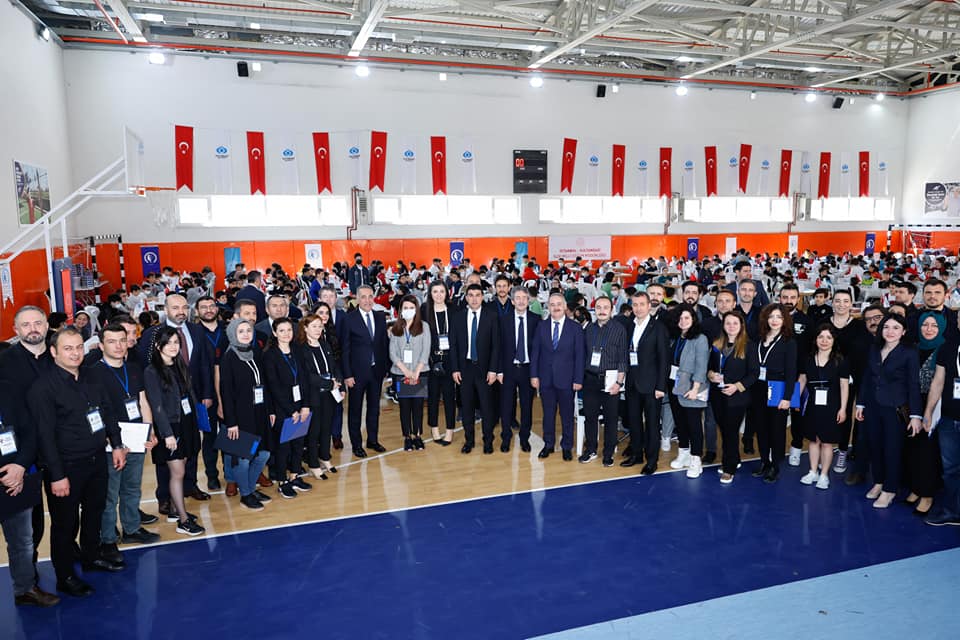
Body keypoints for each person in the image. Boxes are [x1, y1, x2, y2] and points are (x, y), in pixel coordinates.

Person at [29, 327, 127, 597]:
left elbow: (107, 412)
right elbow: (44, 436)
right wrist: (57, 475)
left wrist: (117, 444)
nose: (75, 353)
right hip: (66, 467)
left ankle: (91, 557)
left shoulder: (92, 377)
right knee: (65, 523)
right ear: (53, 352)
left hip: (97, 459)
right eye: (68, 348)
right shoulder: (43, 388)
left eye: (78, 347)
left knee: (94, 512)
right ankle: (65, 577)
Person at [83, 322, 160, 562]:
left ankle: (131, 528)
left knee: (132, 488)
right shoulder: (92, 373)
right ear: (101, 345)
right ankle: (107, 539)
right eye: (111, 341)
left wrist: (149, 430)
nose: (118, 346)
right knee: (110, 494)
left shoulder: (134, 368)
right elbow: (94, 411)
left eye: (122, 340)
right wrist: (111, 440)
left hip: (136, 437)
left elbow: (143, 401)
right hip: (110, 443)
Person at [139, 293, 215, 513]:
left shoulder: (197, 330)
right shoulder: (152, 334)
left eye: (184, 307)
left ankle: (190, 485)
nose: (181, 311)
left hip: (191, 401)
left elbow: (205, 365)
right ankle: (164, 496)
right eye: (175, 307)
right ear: (165, 309)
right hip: (166, 406)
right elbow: (147, 368)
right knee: (168, 454)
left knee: (191, 448)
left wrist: (206, 393)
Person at [0, 343, 59, 607]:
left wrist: (20, 466)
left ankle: (25, 589)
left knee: (23, 541)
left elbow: (30, 431)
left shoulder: (9, 391)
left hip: (16, 476)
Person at [143, 327, 206, 536]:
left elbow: (189, 395)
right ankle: (183, 520)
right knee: (178, 473)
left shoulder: (180, 365)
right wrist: (167, 434)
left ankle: (173, 509)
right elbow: (156, 406)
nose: (173, 346)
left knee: (182, 468)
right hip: (170, 427)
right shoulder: (152, 371)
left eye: (176, 342)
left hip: (186, 423)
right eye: (168, 342)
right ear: (158, 346)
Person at [855, 313, 922, 509]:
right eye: (886, 327)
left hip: (895, 409)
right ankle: (879, 481)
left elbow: (913, 384)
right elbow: (867, 378)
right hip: (873, 406)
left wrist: (915, 415)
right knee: (875, 446)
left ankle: (890, 489)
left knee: (892, 449)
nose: (890, 331)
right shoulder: (875, 348)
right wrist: (860, 404)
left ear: (904, 331)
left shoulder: (909, 352)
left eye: (895, 328)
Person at [220, 318, 274, 511]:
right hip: (241, 417)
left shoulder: (254, 353)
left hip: (260, 412)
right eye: (241, 331)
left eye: (248, 330)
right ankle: (246, 494)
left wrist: (271, 410)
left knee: (263, 454)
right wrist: (231, 422)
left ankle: (250, 488)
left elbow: (264, 384)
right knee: (243, 459)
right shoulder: (229, 358)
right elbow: (226, 393)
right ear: (233, 334)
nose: (245, 334)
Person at [530, 292, 585, 461]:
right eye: (552, 304)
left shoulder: (575, 328)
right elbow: (535, 352)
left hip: (567, 380)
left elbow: (580, 356)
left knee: (567, 415)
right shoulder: (541, 326)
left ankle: (567, 446)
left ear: (565, 306)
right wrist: (534, 375)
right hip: (546, 379)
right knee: (548, 414)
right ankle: (548, 444)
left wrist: (578, 379)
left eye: (559, 304)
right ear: (548, 307)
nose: (556, 307)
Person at [262, 318, 313, 499]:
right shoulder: (270, 355)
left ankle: (294, 476)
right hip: (283, 408)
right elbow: (273, 387)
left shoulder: (297, 350)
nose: (286, 334)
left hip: (300, 405)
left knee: (298, 443)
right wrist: (291, 410)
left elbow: (305, 379)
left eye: (289, 330)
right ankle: (283, 481)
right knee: (283, 447)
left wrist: (305, 405)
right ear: (274, 333)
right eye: (281, 330)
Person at [707, 310, 759, 484]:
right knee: (725, 429)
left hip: (737, 397)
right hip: (718, 394)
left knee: (730, 431)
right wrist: (710, 375)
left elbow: (754, 373)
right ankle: (734, 459)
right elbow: (710, 367)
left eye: (735, 323)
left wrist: (737, 387)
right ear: (723, 325)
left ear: (741, 325)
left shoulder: (749, 346)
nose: (731, 326)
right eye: (728, 323)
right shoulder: (716, 344)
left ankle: (729, 468)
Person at [621, 292, 670, 474]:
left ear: (649, 306)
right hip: (632, 383)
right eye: (635, 304)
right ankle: (636, 454)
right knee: (634, 421)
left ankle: (651, 460)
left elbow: (664, 360)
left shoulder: (659, 328)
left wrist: (660, 386)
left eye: (642, 304)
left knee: (652, 425)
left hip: (652, 386)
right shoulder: (629, 326)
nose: (638, 308)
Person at [797, 325, 850, 490]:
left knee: (826, 442)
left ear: (834, 340)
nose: (824, 341)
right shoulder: (807, 359)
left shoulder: (840, 361)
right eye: (821, 337)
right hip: (812, 405)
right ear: (815, 340)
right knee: (814, 440)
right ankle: (812, 471)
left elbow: (844, 385)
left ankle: (824, 475)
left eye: (828, 337)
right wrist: (795, 401)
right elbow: (802, 380)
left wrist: (843, 409)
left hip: (832, 406)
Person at [902, 312, 944, 515]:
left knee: (928, 451)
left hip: (935, 405)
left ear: (941, 328)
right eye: (925, 325)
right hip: (913, 404)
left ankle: (927, 494)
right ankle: (916, 488)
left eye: (934, 325)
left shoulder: (944, 349)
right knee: (913, 448)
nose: (929, 329)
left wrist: (929, 411)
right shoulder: (914, 348)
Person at [750, 304, 797, 484]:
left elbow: (791, 372)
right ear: (765, 319)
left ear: (784, 320)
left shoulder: (789, 342)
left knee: (776, 429)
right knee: (761, 427)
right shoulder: (758, 338)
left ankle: (775, 466)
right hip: (758, 388)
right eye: (771, 317)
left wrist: (787, 397)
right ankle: (764, 461)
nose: (774, 320)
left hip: (778, 388)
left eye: (778, 317)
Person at [450, 284, 500, 454]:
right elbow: (453, 345)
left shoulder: (491, 316)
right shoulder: (457, 317)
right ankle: (469, 440)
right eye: (470, 295)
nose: (474, 298)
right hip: (465, 369)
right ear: (466, 298)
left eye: (477, 295)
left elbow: (496, 346)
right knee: (467, 408)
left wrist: (493, 370)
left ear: (482, 297)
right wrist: (455, 369)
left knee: (487, 408)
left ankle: (488, 440)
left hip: (485, 370)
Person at [342, 284, 390, 457]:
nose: (367, 300)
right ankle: (356, 444)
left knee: (374, 408)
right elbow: (345, 349)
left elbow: (384, 344)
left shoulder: (380, 317)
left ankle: (373, 440)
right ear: (357, 299)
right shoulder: (349, 319)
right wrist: (347, 374)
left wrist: (385, 368)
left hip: (377, 372)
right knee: (355, 410)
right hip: (356, 374)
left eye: (370, 296)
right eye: (363, 297)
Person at [827, 289, 870, 475]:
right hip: (827, 376)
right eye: (838, 301)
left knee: (845, 414)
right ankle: (824, 450)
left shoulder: (859, 326)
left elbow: (862, 353)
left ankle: (843, 450)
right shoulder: (823, 323)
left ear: (851, 304)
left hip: (851, 378)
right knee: (826, 413)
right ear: (832, 303)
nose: (841, 304)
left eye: (846, 301)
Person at [921, 324, 960, 526]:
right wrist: (928, 411)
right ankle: (953, 511)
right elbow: (938, 381)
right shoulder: (948, 346)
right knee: (950, 469)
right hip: (949, 418)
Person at [580, 296, 627, 466]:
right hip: (590, 379)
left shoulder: (619, 329)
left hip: (611, 381)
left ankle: (608, 453)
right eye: (598, 307)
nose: (602, 311)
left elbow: (623, 359)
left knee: (611, 418)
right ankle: (591, 449)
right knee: (590, 417)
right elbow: (583, 354)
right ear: (594, 310)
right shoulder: (589, 329)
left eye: (605, 307)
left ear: (612, 310)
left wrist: (619, 383)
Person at [298, 308, 343, 478]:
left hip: (329, 394)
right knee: (314, 431)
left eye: (320, 326)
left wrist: (339, 383)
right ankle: (313, 463)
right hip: (313, 396)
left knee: (326, 428)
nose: (318, 329)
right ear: (305, 328)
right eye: (314, 326)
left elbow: (334, 366)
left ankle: (325, 456)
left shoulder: (324, 344)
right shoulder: (301, 349)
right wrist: (329, 383)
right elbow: (307, 375)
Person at [667, 305, 710, 479]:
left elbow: (701, 365)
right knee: (680, 422)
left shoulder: (700, 338)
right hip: (675, 385)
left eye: (687, 318)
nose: (683, 321)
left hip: (692, 386)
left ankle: (695, 459)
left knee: (694, 424)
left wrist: (695, 388)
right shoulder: (676, 337)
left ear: (693, 319)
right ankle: (683, 453)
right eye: (680, 318)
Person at [497, 285, 540, 453]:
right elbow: (498, 348)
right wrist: (499, 370)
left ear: (528, 300)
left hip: (528, 370)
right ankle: (506, 437)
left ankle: (524, 438)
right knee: (506, 406)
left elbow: (540, 349)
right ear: (512, 301)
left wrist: (537, 373)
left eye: (524, 298)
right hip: (508, 369)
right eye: (518, 298)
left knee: (527, 406)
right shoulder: (503, 320)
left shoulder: (536, 320)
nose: (521, 301)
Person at [195, 295, 228, 491]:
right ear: (197, 311)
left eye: (211, 306)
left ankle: (230, 474)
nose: (208, 310)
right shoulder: (193, 333)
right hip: (204, 394)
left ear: (217, 308)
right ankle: (211, 475)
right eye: (203, 307)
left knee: (230, 432)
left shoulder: (228, 330)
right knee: (209, 436)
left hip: (229, 392)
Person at [389, 296, 430, 451]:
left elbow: (426, 350)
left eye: (411, 308)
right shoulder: (396, 328)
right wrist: (406, 371)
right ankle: (407, 436)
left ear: (416, 309)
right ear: (401, 310)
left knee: (418, 406)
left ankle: (417, 435)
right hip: (401, 373)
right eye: (405, 308)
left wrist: (416, 371)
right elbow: (392, 353)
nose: (408, 310)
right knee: (404, 407)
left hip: (420, 372)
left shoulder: (424, 326)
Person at [782, 283, 812, 466]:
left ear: (798, 299)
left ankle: (796, 446)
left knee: (797, 413)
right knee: (776, 413)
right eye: (785, 297)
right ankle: (775, 448)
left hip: (799, 376)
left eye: (792, 297)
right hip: (777, 376)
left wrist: (804, 376)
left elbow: (810, 351)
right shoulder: (772, 318)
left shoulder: (806, 321)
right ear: (779, 298)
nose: (788, 301)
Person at [423, 281, 456, 446]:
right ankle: (434, 428)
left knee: (450, 396)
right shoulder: (424, 310)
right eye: (435, 291)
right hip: (431, 361)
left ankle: (450, 430)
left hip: (450, 360)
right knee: (433, 397)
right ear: (430, 293)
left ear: (446, 293)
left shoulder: (454, 310)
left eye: (441, 291)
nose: (438, 295)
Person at [318, 285, 347, 449]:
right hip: (318, 375)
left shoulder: (342, 317)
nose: (328, 299)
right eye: (325, 296)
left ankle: (336, 435)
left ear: (336, 299)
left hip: (337, 369)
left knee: (337, 404)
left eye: (331, 296)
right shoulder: (311, 325)